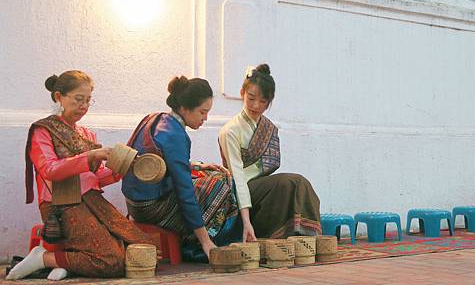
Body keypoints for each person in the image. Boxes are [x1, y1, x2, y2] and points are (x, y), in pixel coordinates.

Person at [8, 70, 151, 281]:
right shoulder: (43, 131)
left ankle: (67, 262)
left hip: (92, 201)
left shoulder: (86, 134)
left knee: (142, 248)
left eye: (87, 101)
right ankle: (43, 258)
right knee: (112, 260)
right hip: (62, 204)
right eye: (78, 99)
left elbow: (94, 177)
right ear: (59, 97)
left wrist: (120, 168)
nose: (83, 106)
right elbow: (50, 170)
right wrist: (90, 155)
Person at [122, 76, 239, 258]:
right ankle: (200, 244)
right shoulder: (175, 135)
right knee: (220, 183)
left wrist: (197, 166)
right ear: (184, 109)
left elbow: (160, 163)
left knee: (206, 174)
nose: (205, 118)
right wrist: (206, 242)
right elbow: (184, 192)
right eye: (202, 112)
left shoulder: (156, 119)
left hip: (133, 203)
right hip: (151, 208)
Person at [219, 64, 321, 241]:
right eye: (251, 98)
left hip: (262, 187)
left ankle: (304, 238)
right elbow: (238, 178)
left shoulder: (268, 127)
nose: (256, 105)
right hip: (240, 191)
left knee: (298, 183)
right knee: (289, 183)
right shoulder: (230, 131)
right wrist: (246, 221)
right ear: (242, 93)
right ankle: (269, 234)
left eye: (263, 101)